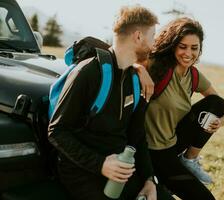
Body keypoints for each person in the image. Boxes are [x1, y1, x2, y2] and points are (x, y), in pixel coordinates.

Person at [48, 6, 174, 200]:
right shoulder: (88, 72)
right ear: (138, 36)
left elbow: (137, 136)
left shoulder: (134, 78)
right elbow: (57, 131)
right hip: (84, 173)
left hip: (121, 171)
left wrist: (149, 180)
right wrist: (101, 164)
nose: (153, 45)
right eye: (152, 37)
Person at [144, 17, 224, 199]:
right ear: (173, 45)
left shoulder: (193, 75)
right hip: (148, 151)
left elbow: (222, 106)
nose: (188, 53)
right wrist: (139, 69)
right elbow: (128, 61)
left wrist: (221, 121)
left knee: (216, 102)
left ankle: (189, 159)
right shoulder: (156, 65)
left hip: (172, 146)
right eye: (182, 46)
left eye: (194, 48)